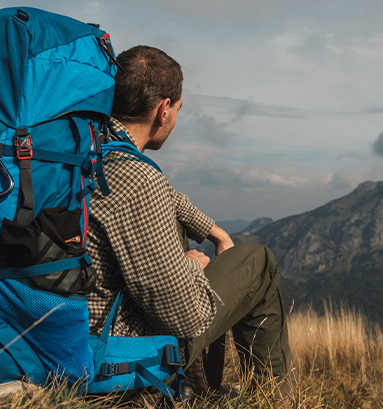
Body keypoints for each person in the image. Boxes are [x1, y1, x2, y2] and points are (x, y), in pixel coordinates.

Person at [85, 45, 294, 398]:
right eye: (178, 110)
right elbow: (188, 316)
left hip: (67, 336)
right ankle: (274, 401)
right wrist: (190, 266)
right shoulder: (137, 178)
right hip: (118, 351)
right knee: (259, 262)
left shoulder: (88, 153)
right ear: (163, 109)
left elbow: (163, 196)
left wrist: (211, 229)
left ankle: (198, 389)